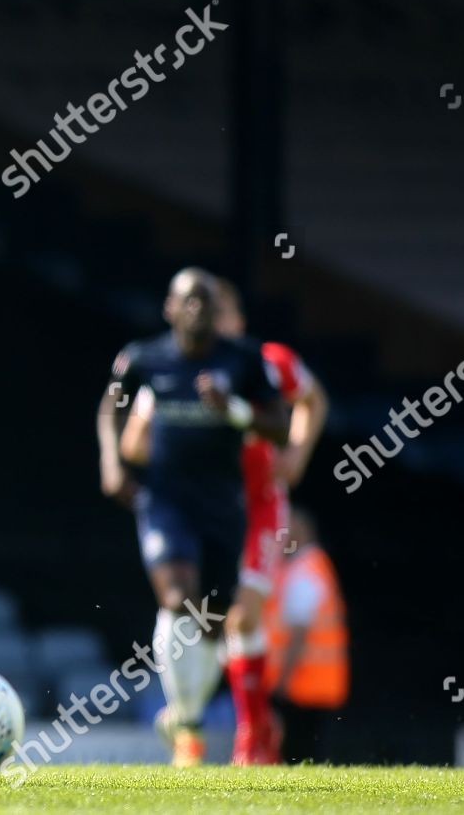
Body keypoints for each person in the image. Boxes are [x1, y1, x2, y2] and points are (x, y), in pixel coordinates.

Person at [119, 277, 329, 763]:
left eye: (220, 314)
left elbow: (313, 401)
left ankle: (253, 736)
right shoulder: (181, 367)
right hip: (205, 501)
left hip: (257, 504)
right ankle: (195, 718)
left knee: (243, 614)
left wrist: (296, 451)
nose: (213, 324)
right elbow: (135, 439)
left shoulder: (267, 361)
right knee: (208, 614)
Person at [264, 507, 348, 763]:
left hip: (303, 688)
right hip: (312, 687)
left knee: (300, 757)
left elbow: (299, 633)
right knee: (307, 755)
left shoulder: (305, 570)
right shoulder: (307, 566)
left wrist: (281, 682)